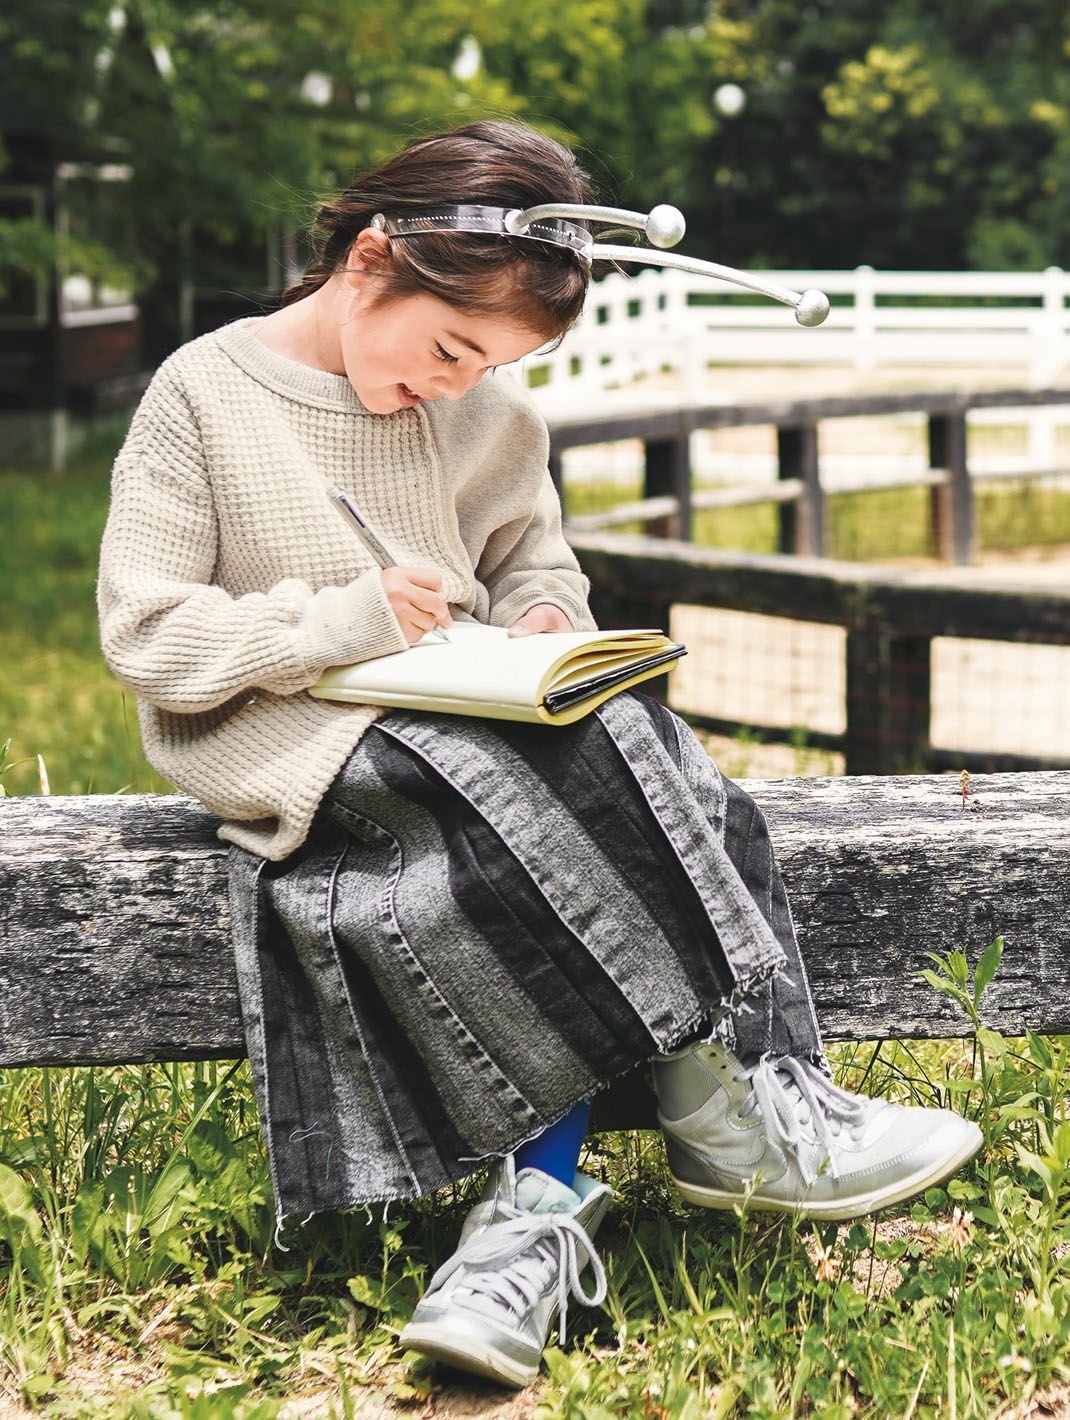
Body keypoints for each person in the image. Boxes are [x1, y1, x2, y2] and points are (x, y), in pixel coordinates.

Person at [96, 120, 982, 1391]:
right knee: (582, 783)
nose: (456, 387)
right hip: (291, 729)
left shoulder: (487, 418)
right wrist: (337, 621)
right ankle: (735, 1102)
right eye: (448, 347)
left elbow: (530, 563)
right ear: (368, 259)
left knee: (627, 731)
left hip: (467, 711)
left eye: (489, 367)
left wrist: (544, 622)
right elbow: (147, 635)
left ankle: (535, 1214)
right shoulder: (205, 393)